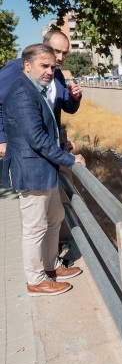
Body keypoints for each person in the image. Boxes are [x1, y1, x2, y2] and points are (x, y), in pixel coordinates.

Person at [2, 43, 86, 296]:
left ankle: (50, 267)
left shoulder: (35, 89)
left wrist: (61, 147)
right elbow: (37, 138)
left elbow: (45, 133)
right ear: (27, 66)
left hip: (44, 170)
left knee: (54, 218)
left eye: (52, 66)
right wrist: (70, 160)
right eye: (44, 65)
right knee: (35, 227)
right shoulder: (22, 94)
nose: (50, 70)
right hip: (31, 172)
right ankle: (36, 280)